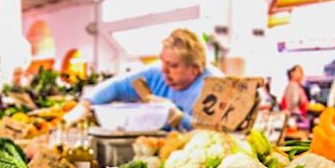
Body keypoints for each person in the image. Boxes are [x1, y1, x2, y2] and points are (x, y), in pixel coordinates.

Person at [66, 28, 221, 131]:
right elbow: (116, 86)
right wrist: (85, 106)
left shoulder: (215, 86)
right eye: (163, 62)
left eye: (173, 66)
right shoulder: (155, 73)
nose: (164, 70)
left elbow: (214, 133)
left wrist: (179, 117)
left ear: (195, 68)